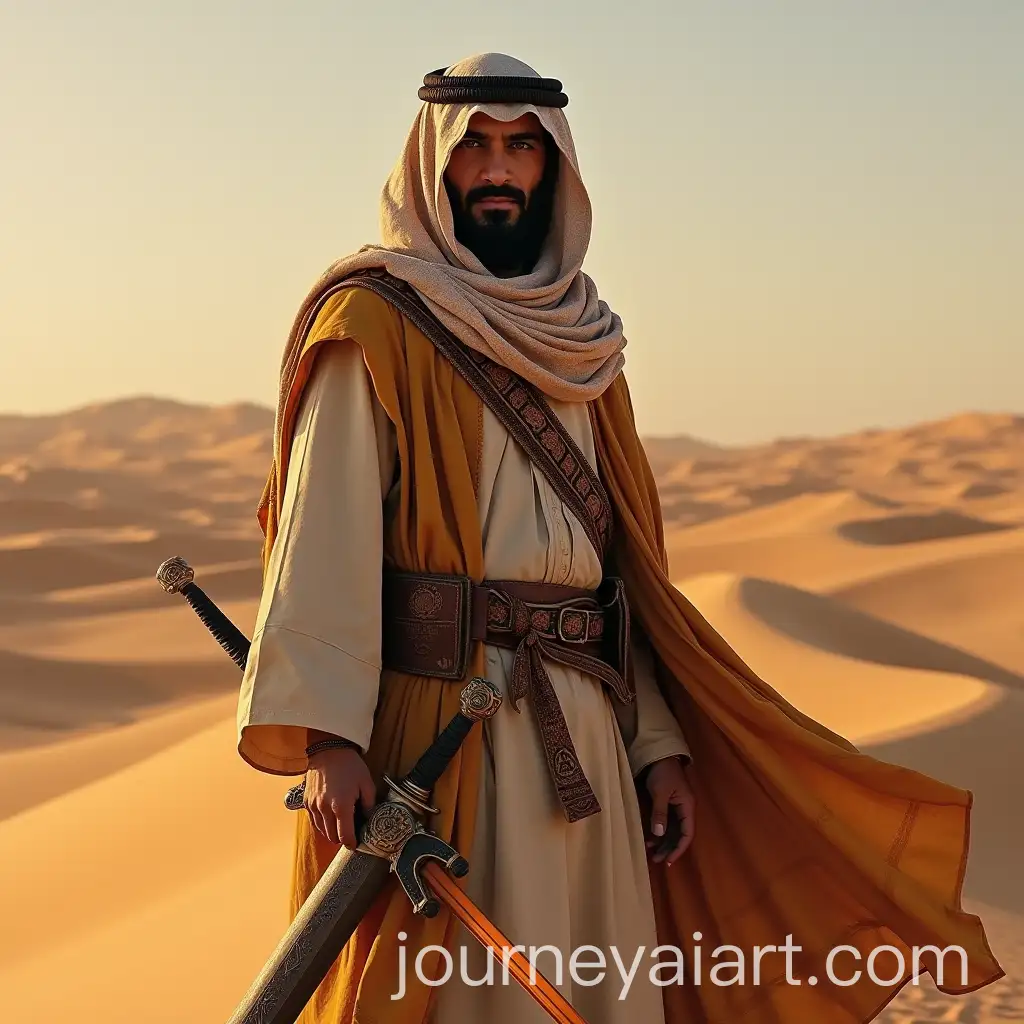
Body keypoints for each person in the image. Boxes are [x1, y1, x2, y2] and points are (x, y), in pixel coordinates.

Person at [235, 53, 1003, 1024]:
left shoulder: (585, 343)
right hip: (440, 742)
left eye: (522, 147)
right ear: (433, 166)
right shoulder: (374, 325)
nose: (500, 170)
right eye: (474, 147)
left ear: (554, 168)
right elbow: (321, 537)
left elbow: (624, 575)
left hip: (586, 743)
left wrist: (654, 741)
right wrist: (328, 736)